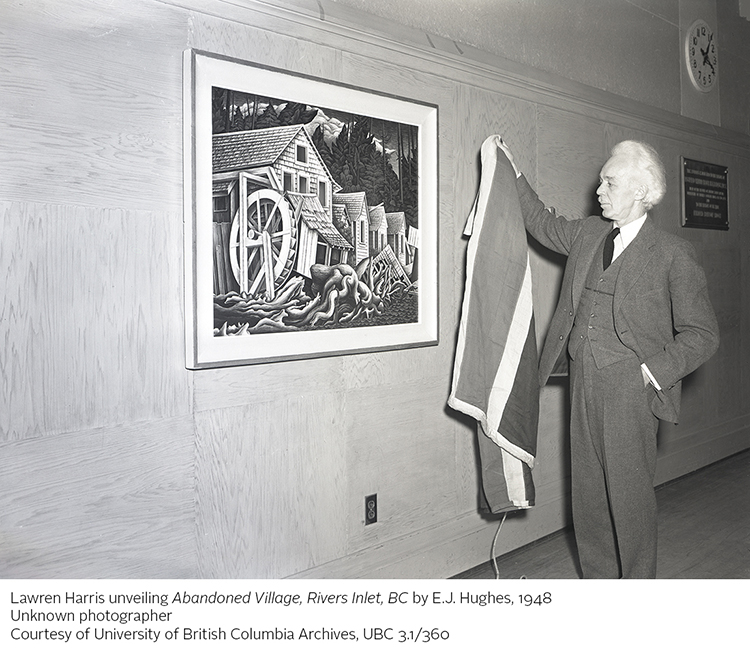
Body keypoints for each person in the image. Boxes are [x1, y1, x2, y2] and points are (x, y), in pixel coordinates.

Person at [497, 138, 719, 578]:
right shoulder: (586, 234)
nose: (599, 190)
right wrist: (512, 171)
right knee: (589, 497)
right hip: (582, 381)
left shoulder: (673, 254)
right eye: (601, 181)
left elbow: (703, 335)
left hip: (630, 391)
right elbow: (540, 222)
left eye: (609, 181)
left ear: (640, 190)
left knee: (630, 499)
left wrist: (650, 373)